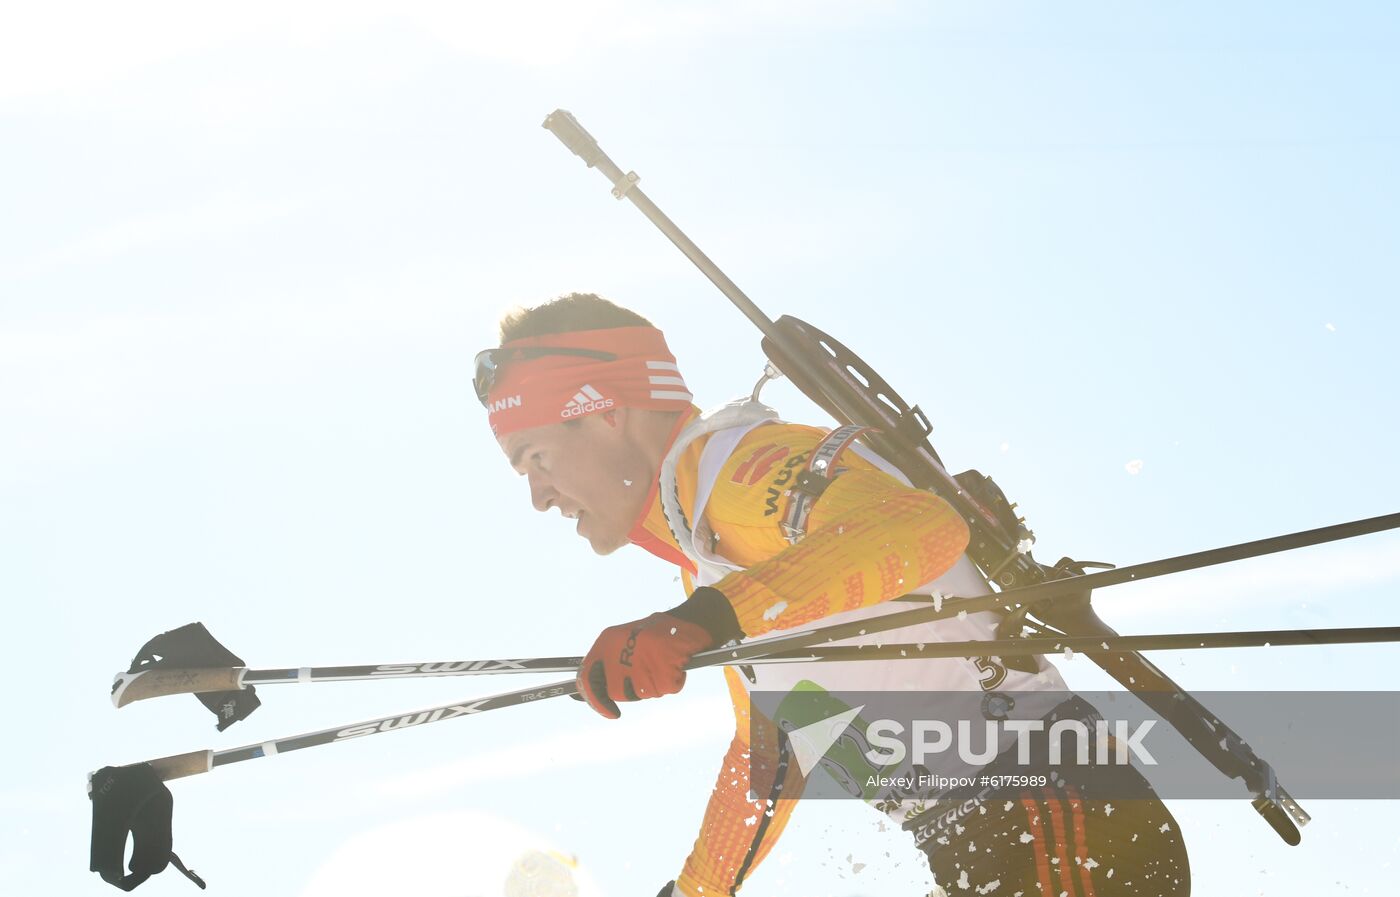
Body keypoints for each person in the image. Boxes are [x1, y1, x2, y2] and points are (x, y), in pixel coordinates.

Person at [476, 292, 1190, 896]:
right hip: (1002, 829)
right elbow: (775, 753)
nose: (539, 495)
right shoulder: (709, 552)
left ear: (608, 411)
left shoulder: (740, 470)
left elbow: (921, 525)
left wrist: (701, 621)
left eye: (536, 457)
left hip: (1048, 811)